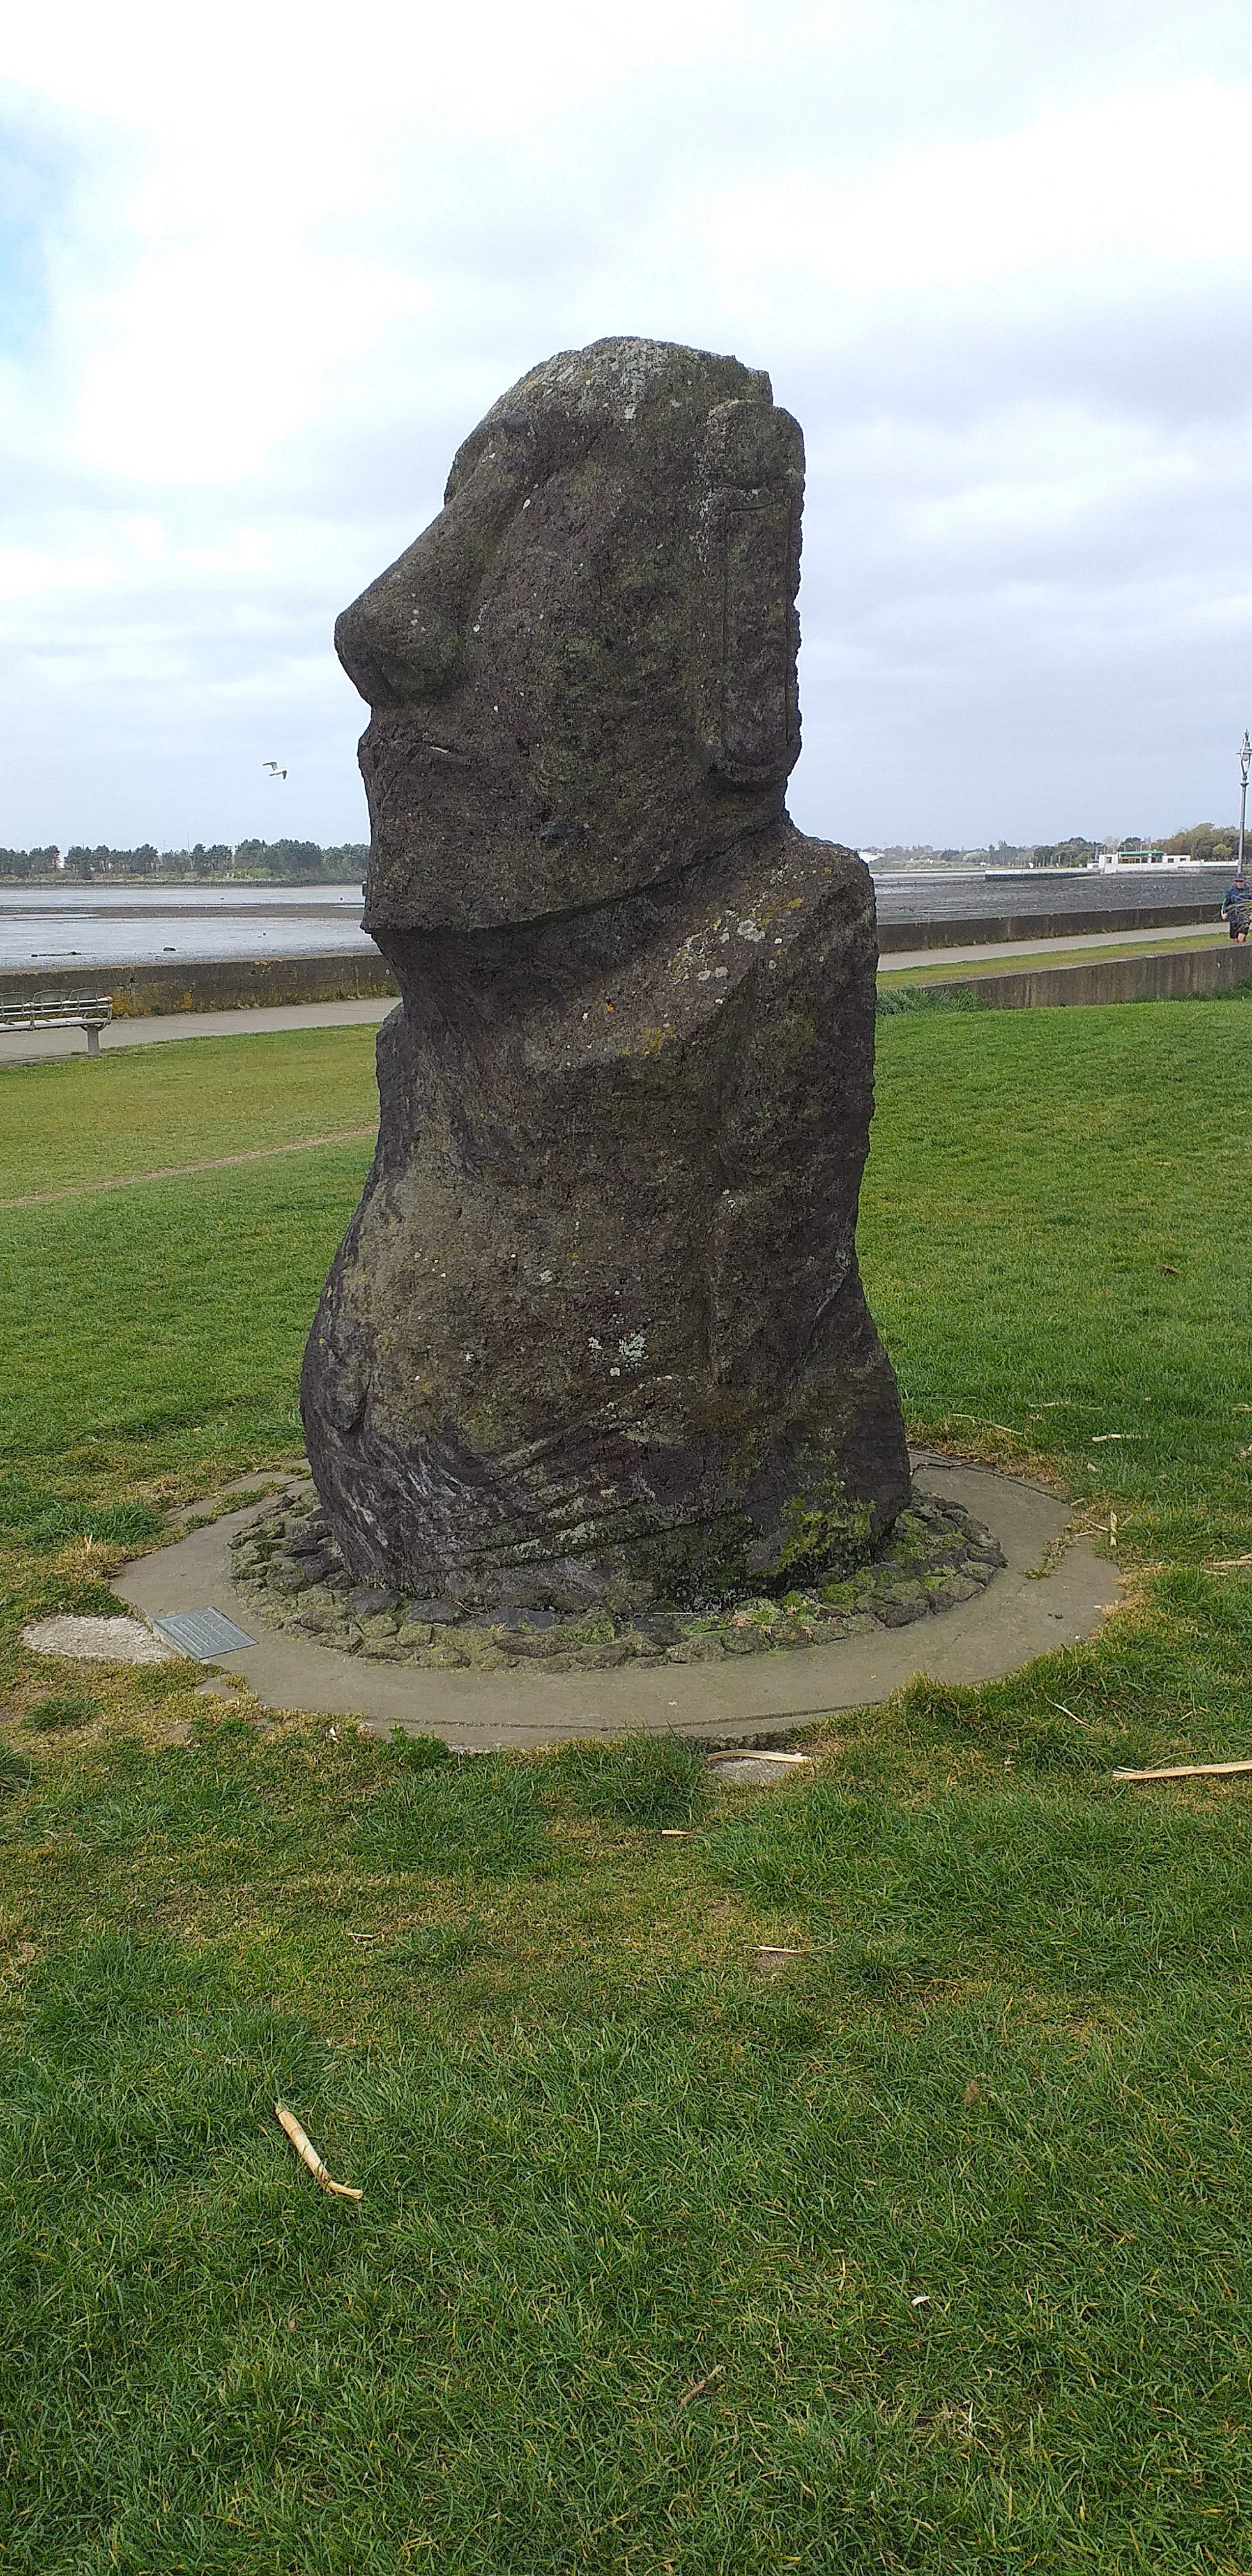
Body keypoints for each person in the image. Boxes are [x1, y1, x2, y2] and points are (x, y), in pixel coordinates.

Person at [1221, 872, 1251, 943]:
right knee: (1235, 940)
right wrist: (1223, 913)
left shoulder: (1249, 891)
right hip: (1234, 918)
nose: (1239, 883)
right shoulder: (1231, 891)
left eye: (1241, 881)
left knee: (1241, 938)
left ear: (1244, 881)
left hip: (1244, 918)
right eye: (1237, 881)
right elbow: (1225, 904)